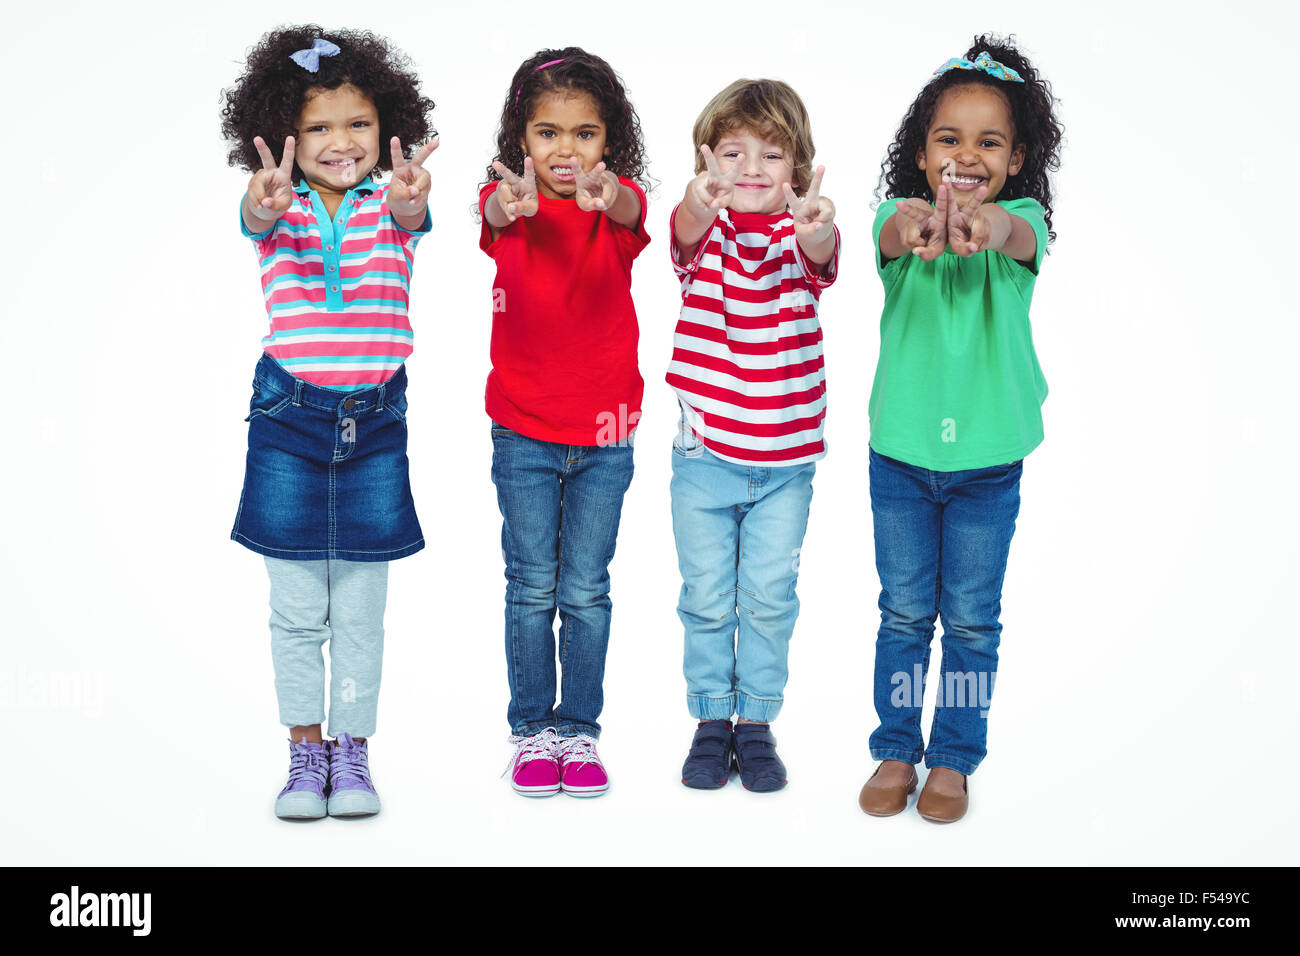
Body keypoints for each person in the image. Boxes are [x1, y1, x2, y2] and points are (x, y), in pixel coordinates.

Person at [221, 25, 436, 819]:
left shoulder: (394, 199)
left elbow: (415, 216)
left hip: (375, 426)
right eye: (317, 127)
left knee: (360, 611)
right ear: (283, 132)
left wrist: (411, 196)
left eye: (358, 125)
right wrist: (259, 199)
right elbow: (254, 214)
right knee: (295, 605)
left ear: (385, 130)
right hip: (288, 423)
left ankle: (353, 752)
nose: (340, 142)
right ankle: (303, 751)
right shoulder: (280, 205)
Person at [858, 36, 1063, 823]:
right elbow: (888, 236)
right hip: (901, 460)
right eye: (949, 138)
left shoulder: (1024, 225)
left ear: (1016, 159)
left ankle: (954, 756)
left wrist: (986, 229)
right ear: (921, 150)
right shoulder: (898, 217)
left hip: (987, 462)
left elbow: (1015, 239)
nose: (966, 156)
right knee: (905, 612)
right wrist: (919, 232)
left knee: (972, 618)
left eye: (989, 142)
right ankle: (897, 747)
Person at [478, 48, 651, 798]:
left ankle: (579, 729)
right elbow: (487, 214)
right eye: (547, 133)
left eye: (585, 134)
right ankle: (531, 732)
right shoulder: (506, 202)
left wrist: (608, 194)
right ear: (522, 139)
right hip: (522, 429)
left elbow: (632, 211)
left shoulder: (616, 205)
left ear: (607, 140)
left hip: (607, 433)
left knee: (585, 588)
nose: (566, 152)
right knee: (530, 587)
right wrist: (505, 204)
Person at [667, 79, 840, 792]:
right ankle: (712, 719)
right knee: (707, 596)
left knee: (768, 597)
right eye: (732, 153)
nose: (750, 169)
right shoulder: (706, 233)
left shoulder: (799, 238)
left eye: (772, 155)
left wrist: (815, 227)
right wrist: (694, 202)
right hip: (705, 457)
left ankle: (757, 722)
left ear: (797, 170)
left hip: (786, 465)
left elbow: (822, 252)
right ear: (706, 164)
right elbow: (680, 234)